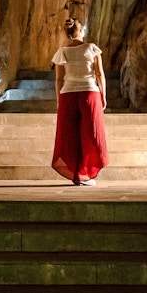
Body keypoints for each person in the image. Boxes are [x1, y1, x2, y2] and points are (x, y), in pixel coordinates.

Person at [50, 18, 109, 185]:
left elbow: (59, 79)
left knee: (71, 135)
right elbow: (99, 74)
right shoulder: (91, 49)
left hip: (68, 94)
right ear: (81, 31)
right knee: (90, 134)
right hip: (89, 93)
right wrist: (103, 95)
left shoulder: (62, 52)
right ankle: (86, 173)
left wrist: (59, 100)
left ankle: (76, 173)